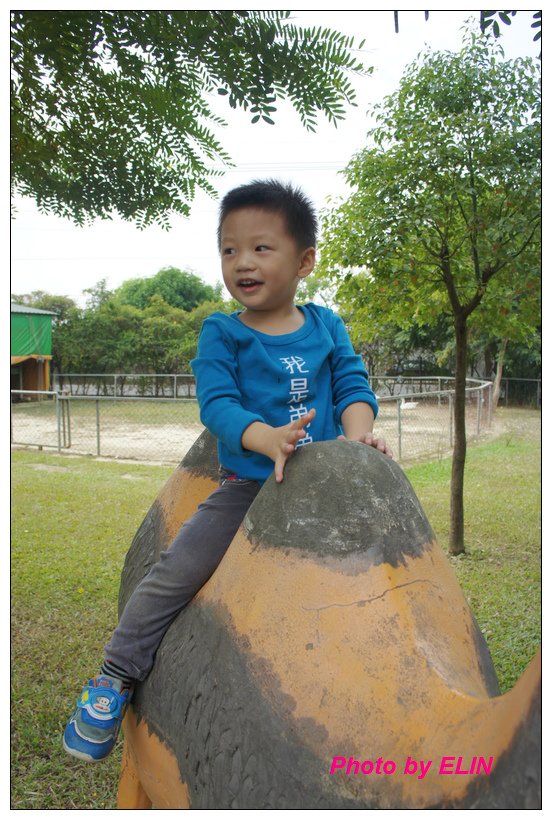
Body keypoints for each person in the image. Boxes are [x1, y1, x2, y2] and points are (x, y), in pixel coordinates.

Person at [62, 179, 392, 763]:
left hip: (326, 483)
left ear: (304, 260)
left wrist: (360, 436)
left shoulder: (326, 325)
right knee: (176, 568)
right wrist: (267, 439)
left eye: (261, 248)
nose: (242, 262)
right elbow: (217, 405)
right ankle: (114, 678)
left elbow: (352, 386)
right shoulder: (224, 332)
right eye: (229, 249)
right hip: (250, 488)